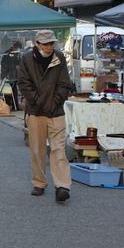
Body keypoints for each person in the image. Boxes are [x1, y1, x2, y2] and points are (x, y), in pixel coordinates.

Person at [17, 30, 72, 203]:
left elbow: (65, 83)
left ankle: (62, 186)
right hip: (35, 111)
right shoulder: (26, 58)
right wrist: (37, 101)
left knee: (58, 150)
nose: (49, 47)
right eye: (45, 43)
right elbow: (23, 83)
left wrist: (55, 101)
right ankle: (39, 183)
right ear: (37, 43)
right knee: (37, 150)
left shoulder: (59, 57)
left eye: (51, 43)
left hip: (56, 111)